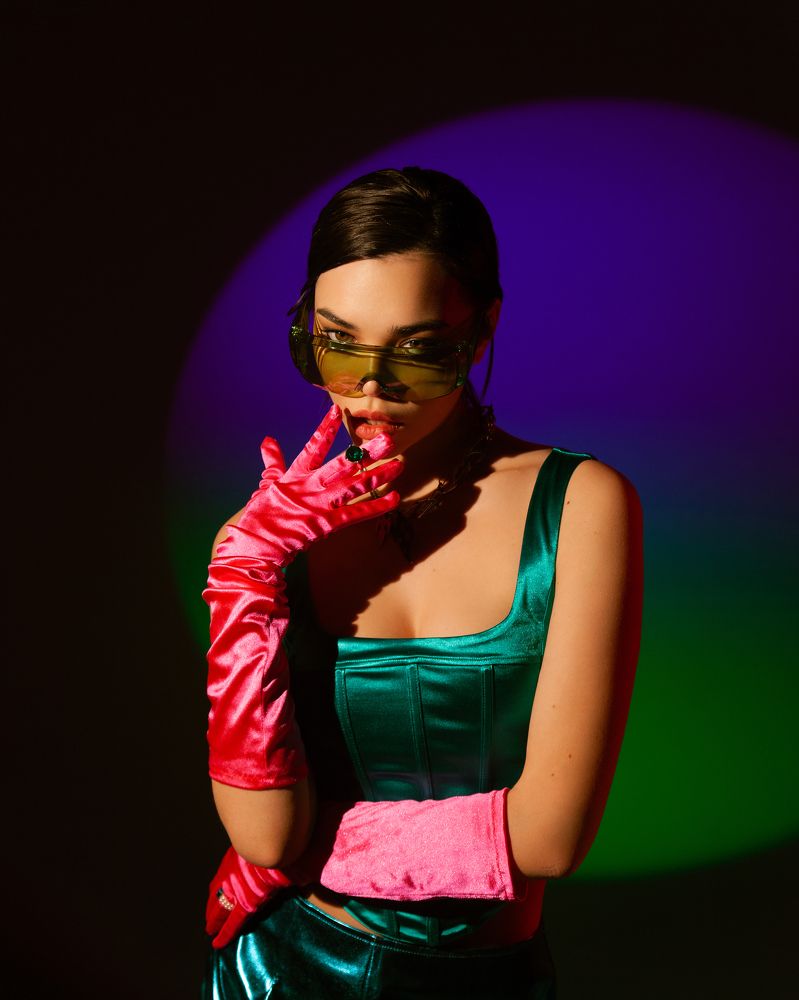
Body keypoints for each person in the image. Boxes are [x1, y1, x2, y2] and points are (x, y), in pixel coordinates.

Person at [199, 167, 644, 998]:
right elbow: (263, 837)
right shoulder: (267, 539)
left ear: (482, 331)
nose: (371, 386)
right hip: (278, 970)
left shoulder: (580, 503)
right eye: (336, 343)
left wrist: (307, 849)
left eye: (418, 351)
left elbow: (547, 838)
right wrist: (243, 574)